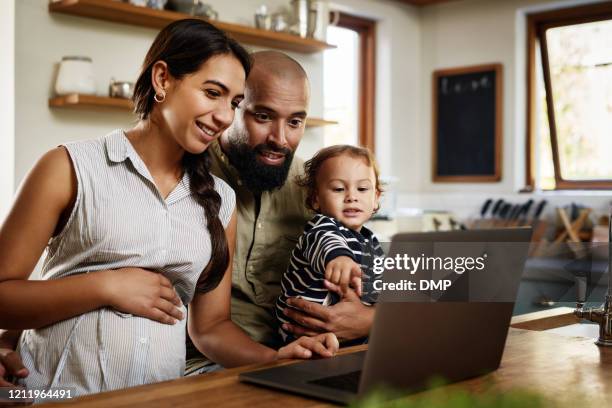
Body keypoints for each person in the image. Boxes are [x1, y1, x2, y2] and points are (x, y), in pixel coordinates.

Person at [0, 20, 337, 397]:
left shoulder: (219, 199)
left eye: (234, 102)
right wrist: (106, 285)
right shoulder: (67, 167)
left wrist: (275, 361)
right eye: (213, 93)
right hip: (58, 396)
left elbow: (210, 328)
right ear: (162, 79)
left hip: (163, 396)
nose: (225, 115)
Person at [185, 52, 376, 374]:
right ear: (233, 107)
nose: (280, 139)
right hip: (211, 363)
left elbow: (368, 269)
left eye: (295, 122)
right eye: (262, 116)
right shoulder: (189, 180)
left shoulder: (317, 187)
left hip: (312, 355)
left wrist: (368, 320)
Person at [275, 145, 384, 344]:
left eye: (362, 188)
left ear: (376, 198)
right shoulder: (321, 226)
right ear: (316, 199)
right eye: (339, 189)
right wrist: (340, 258)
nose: (352, 196)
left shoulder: (371, 242)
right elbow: (326, 241)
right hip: (303, 335)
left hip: (354, 338)